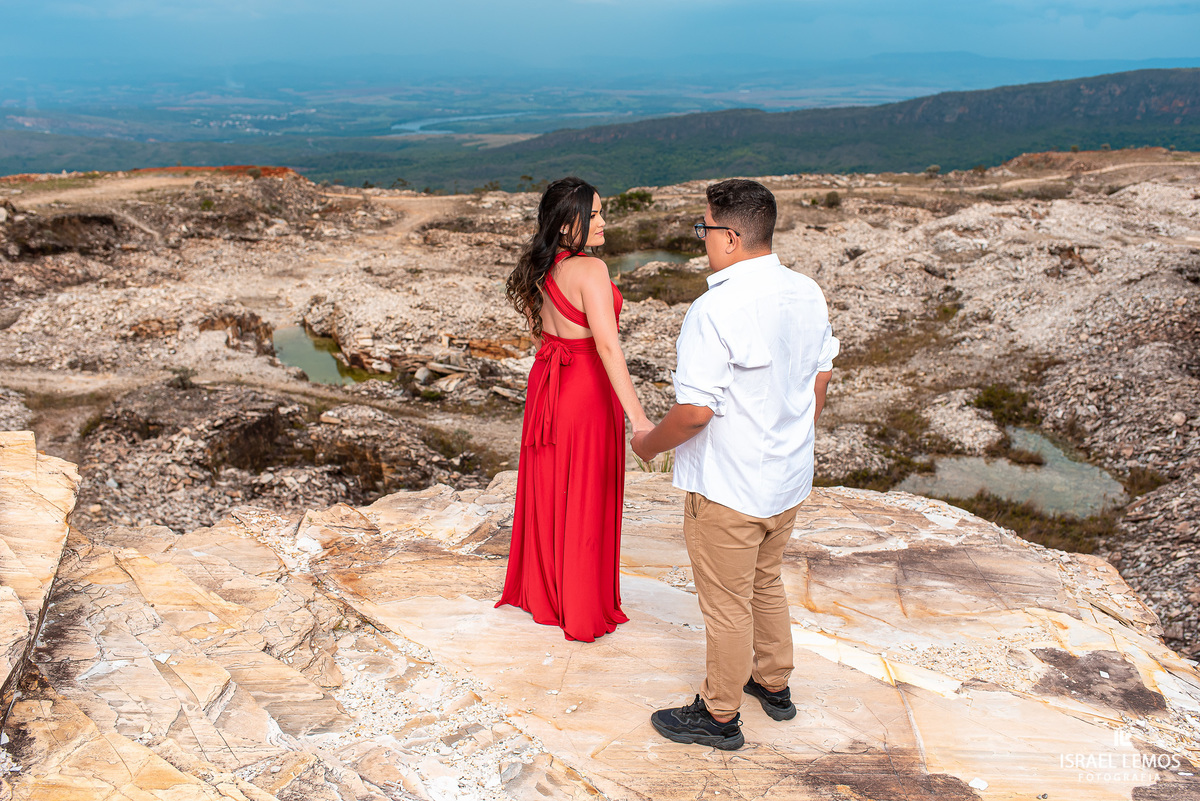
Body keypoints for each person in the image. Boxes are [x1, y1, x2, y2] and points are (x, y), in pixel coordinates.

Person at [632, 178, 838, 750]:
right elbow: (820, 373)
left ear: (728, 235)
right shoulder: (807, 292)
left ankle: (719, 716)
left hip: (728, 484)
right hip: (787, 477)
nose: (702, 240)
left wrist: (647, 444)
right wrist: (792, 429)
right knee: (764, 580)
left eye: (704, 229)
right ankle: (773, 684)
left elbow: (696, 412)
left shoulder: (714, 307)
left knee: (725, 605)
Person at [496, 177, 653, 642]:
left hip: (549, 382)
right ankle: (581, 605)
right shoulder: (592, 271)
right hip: (585, 388)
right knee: (586, 491)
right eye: (596, 214)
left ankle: (544, 591)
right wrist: (639, 419)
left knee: (551, 486)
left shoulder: (540, 267)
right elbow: (607, 344)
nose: (603, 222)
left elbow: (540, 329)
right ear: (567, 224)